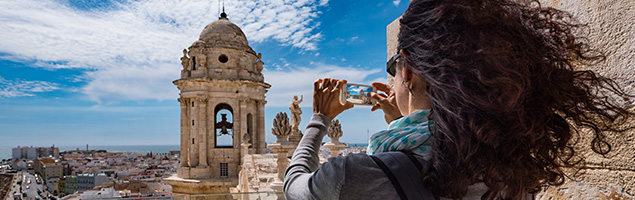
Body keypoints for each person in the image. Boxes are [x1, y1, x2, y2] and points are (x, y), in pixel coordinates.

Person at [284, 0, 634, 199]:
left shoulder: (352, 175)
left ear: (408, 71)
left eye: (395, 67)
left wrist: (319, 118)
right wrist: (398, 121)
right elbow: (433, 152)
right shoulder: (511, 175)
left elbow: (294, 184)